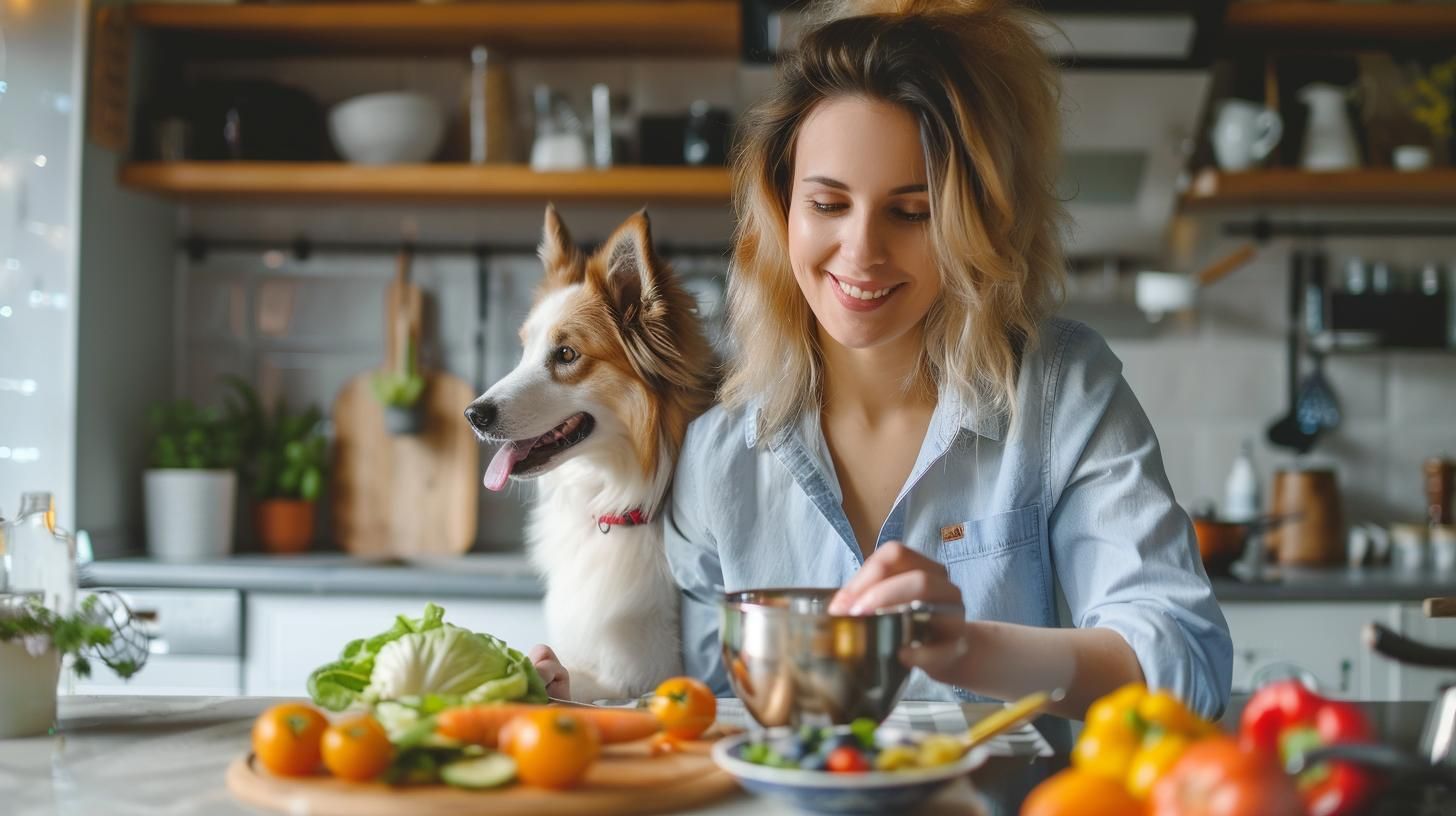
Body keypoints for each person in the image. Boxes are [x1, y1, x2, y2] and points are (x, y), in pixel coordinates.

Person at [662, 0, 1232, 724]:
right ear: (781, 207)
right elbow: (687, 708)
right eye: (828, 204)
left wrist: (965, 649)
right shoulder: (717, 453)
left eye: (913, 211)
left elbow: (1185, 664)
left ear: (977, 222)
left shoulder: (1062, 393)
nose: (861, 252)